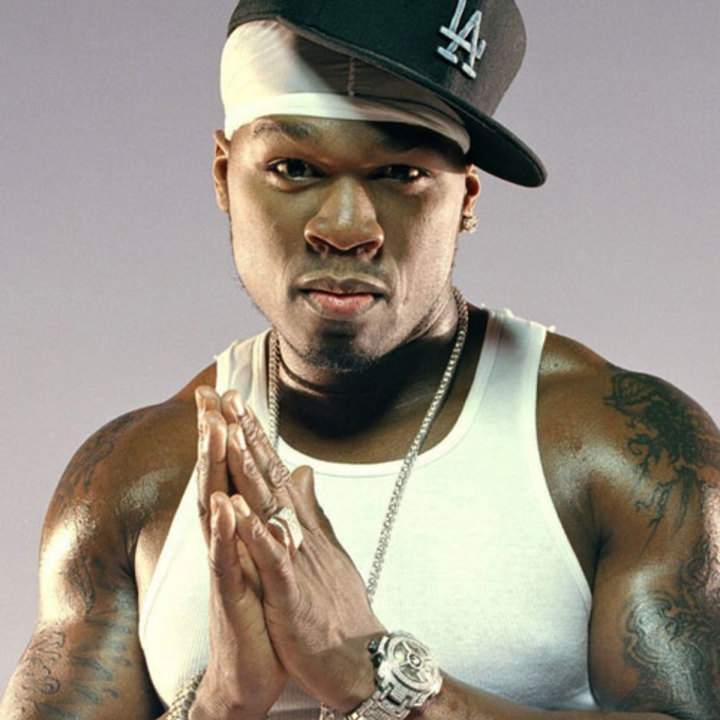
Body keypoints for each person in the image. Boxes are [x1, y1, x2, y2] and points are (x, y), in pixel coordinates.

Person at [2, 0, 719, 719]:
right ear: (224, 175)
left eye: (401, 173)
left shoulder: (624, 452)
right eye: (293, 168)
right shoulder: (134, 479)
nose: (345, 228)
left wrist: (379, 681)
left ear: (466, 199)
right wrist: (219, 704)